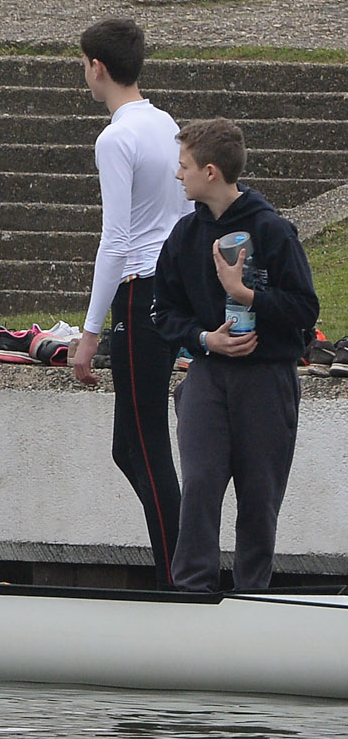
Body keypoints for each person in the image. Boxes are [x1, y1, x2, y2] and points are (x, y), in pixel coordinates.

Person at [152, 118, 320, 593]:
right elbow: (163, 312)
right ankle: (193, 590)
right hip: (208, 375)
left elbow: (305, 309)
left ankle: (252, 596)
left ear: (210, 171)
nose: (177, 175)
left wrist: (247, 297)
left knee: (260, 498)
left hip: (267, 381)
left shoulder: (273, 230)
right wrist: (206, 340)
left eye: (183, 166)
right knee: (200, 488)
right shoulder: (184, 236)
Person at [66, 17, 187, 588]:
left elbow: (115, 238)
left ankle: (181, 576)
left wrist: (88, 334)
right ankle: (182, 566)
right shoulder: (166, 124)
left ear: (98, 67)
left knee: (143, 446)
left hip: (140, 295)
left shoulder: (116, 137)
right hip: (167, 292)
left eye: (84, 65)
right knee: (131, 446)